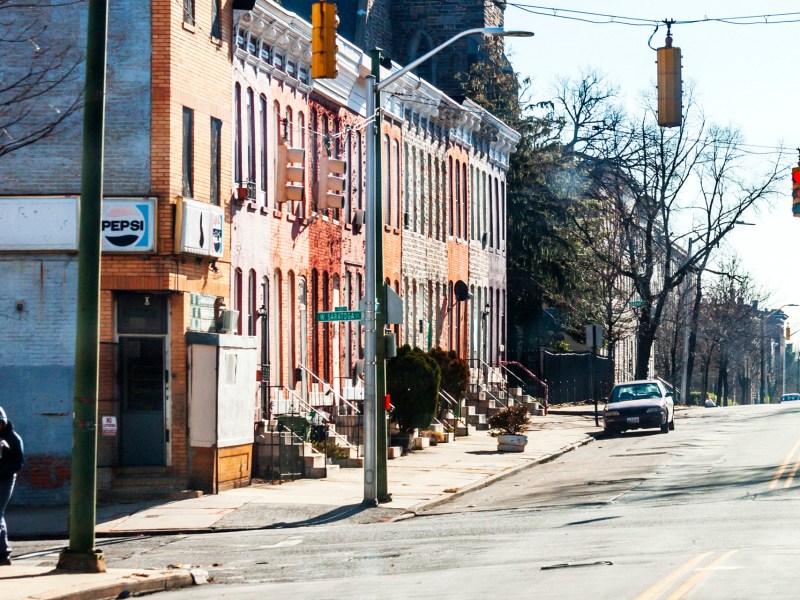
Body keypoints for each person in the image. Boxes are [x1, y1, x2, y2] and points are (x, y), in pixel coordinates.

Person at [0, 406, 24, 566]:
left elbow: (18, 463)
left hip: (5, 479)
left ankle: (4, 550)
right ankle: (3, 551)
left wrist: (4, 471)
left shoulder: (13, 438)